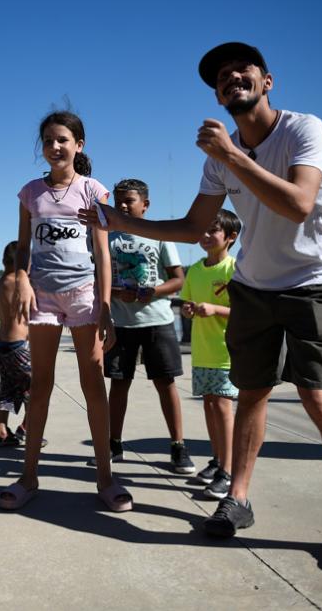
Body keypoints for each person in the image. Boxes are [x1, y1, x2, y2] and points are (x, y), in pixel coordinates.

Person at [78, 42, 322, 570]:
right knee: (252, 395)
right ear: (218, 95)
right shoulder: (220, 159)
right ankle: (238, 498)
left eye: (243, 69)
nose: (232, 77)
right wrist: (122, 222)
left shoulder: (304, 130)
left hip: (310, 285)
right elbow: (194, 229)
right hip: (253, 288)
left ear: (267, 80)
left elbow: (299, 204)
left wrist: (233, 157)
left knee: (320, 402)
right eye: (221, 76)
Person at [0, 110, 132, 513]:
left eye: (62, 140)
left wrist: (105, 306)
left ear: (79, 144)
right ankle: (28, 476)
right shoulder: (30, 192)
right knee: (40, 385)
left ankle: (106, 479)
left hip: (83, 296)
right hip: (42, 296)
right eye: (48, 141)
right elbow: (23, 246)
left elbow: (102, 254)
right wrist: (22, 277)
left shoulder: (94, 190)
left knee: (93, 383)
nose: (54, 147)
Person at [101, 178, 194, 475]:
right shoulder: (106, 237)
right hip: (121, 323)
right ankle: (113, 444)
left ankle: (178, 446)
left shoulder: (160, 235)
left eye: (129, 200)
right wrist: (115, 294)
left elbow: (178, 279)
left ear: (146, 205)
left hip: (158, 320)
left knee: (165, 384)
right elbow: (97, 278)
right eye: (118, 201)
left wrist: (152, 291)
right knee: (119, 383)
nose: (123, 206)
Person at [180, 208, 242, 500]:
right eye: (203, 230)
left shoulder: (234, 269)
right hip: (202, 352)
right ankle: (218, 460)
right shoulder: (195, 270)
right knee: (209, 405)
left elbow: (245, 311)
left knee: (222, 408)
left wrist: (216, 309)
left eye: (213, 230)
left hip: (225, 352)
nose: (205, 236)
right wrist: (189, 309)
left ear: (231, 237)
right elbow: (186, 303)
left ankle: (228, 472)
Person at [0, 240, 45, 448]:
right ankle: (27, 428)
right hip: (18, 345)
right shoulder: (17, 283)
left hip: (2, 342)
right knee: (36, 387)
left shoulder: (0, 282)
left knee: (8, 386)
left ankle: (1, 431)